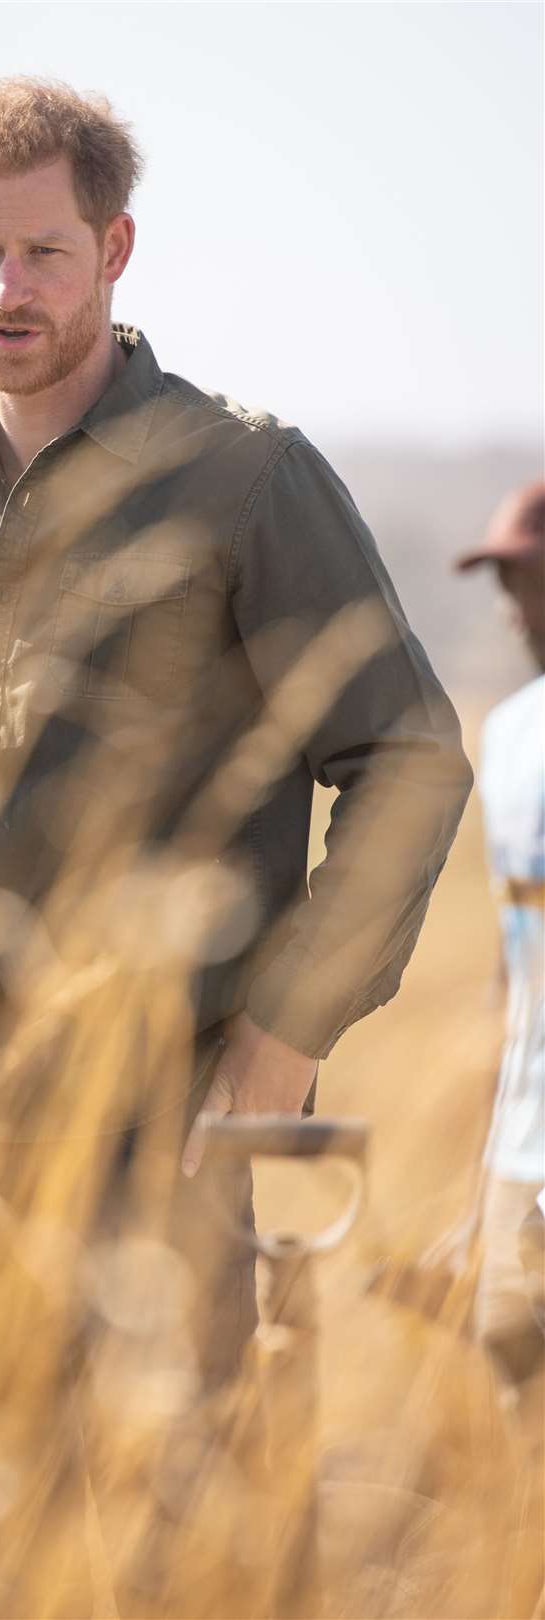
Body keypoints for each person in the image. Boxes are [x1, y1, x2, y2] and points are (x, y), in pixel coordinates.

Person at [0, 79, 472, 1617]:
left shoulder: (243, 478)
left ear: (116, 249)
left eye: (44, 254)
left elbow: (409, 757)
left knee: (198, 1567)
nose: (9, 291)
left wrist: (281, 1044)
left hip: (163, 1138)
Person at [456, 483, 544, 1616]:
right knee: (510, 1365)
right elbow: (511, 956)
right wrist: (476, 1163)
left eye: (534, 575)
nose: (519, 601)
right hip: (522, 1153)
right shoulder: (512, 734)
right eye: (513, 580)